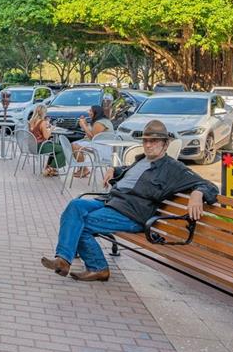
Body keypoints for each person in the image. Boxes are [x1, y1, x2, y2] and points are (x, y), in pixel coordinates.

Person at [41, 120, 217, 281]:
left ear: (165, 144)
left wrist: (197, 194)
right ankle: (63, 259)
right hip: (112, 202)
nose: (148, 145)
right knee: (75, 206)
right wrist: (114, 170)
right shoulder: (141, 160)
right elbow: (129, 174)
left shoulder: (172, 168)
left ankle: (98, 267)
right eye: (145, 141)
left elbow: (208, 185)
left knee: (83, 224)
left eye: (154, 141)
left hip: (131, 213)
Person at [71, 104, 114, 178]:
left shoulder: (99, 123)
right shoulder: (102, 121)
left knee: (75, 146)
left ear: (96, 112)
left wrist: (84, 126)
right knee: (75, 144)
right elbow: (93, 134)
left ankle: (84, 169)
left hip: (103, 147)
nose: (89, 112)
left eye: (91, 111)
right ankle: (82, 168)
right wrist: (85, 124)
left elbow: (93, 138)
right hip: (101, 144)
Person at [28, 103, 65, 177]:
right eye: (45, 112)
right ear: (43, 113)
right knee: (62, 149)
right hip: (40, 146)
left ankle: (50, 169)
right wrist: (51, 129)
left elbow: (35, 131)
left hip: (32, 146)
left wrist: (46, 128)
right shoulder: (42, 122)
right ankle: (49, 169)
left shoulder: (31, 121)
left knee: (55, 147)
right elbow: (46, 137)